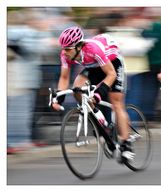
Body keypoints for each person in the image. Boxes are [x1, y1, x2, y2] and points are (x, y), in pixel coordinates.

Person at [51, 26, 134, 161]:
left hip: (113, 63)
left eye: (67, 49)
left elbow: (111, 74)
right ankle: (97, 119)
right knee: (77, 88)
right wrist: (59, 98)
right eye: (63, 48)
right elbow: (64, 78)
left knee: (116, 101)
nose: (64, 52)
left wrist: (99, 93)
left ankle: (126, 143)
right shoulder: (65, 54)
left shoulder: (93, 49)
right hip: (94, 66)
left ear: (78, 46)